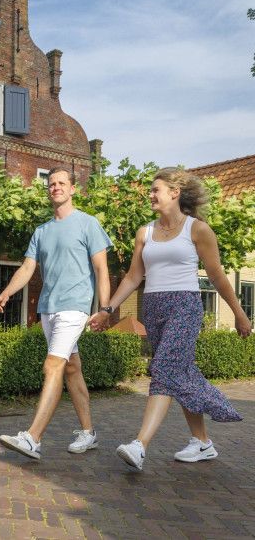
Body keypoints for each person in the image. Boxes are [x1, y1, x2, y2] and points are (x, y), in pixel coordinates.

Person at [89, 167, 252, 471]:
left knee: (163, 369)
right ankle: (202, 443)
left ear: (175, 192)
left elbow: (217, 276)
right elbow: (134, 277)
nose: (150, 195)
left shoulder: (197, 229)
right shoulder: (145, 232)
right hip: (153, 307)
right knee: (180, 371)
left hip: (184, 306)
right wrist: (107, 309)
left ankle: (140, 445)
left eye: (156, 190)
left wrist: (240, 313)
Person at [0, 167, 112, 460]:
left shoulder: (88, 224)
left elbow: (101, 269)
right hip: (48, 308)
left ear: (73, 189)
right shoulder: (41, 231)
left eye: (61, 183)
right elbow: (27, 268)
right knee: (72, 368)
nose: (55, 187)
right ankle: (88, 433)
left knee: (52, 366)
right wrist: (8, 291)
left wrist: (105, 309)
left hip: (75, 307)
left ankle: (33, 438)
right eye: (51, 184)